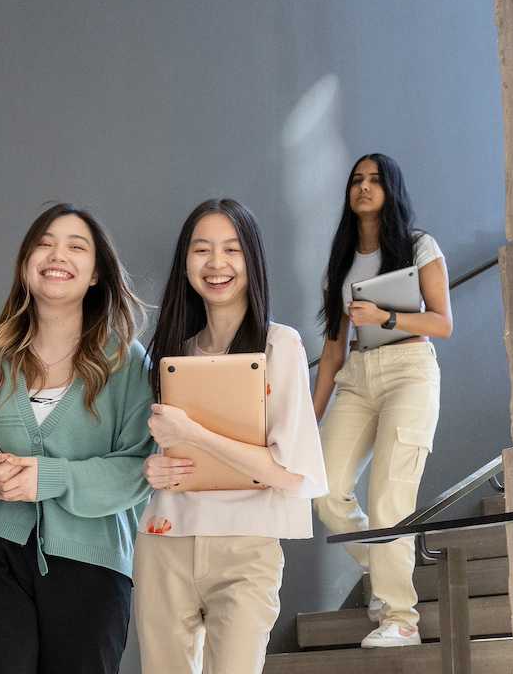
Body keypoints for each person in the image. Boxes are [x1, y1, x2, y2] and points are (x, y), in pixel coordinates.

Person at [0, 203, 155, 674]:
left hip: (93, 564)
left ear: (96, 274)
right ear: (25, 262)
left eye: (77, 247)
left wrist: (49, 478)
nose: (58, 255)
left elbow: (139, 470)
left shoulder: (128, 362)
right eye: (45, 243)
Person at [135, 199, 330, 672]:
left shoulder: (279, 345)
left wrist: (194, 433)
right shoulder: (172, 353)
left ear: (252, 260)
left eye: (232, 250)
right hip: (166, 538)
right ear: (185, 262)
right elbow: (163, 451)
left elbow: (289, 473)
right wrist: (152, 465)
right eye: (202, 250)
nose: (216, 263)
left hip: (247, 546)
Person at [310, 152, 452, 648]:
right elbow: (331, 350)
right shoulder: (341, 260)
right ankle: (385, 562)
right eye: (356, 180)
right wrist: (311, 416)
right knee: (324, 489)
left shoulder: (417, 245)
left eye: (374, 180)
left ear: (391, 189)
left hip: (410, 370)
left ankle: (400, 618)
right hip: (356, 374)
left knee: (390, 498)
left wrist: (387, 318)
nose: (363, 187)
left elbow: (442, 323)